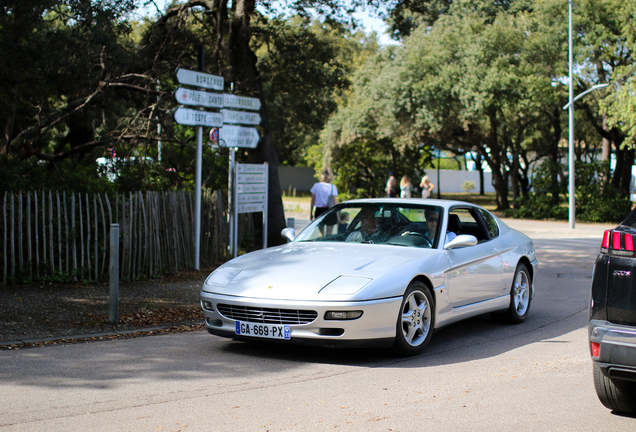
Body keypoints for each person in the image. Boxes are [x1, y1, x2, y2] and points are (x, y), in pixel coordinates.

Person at [310, 168, 338, 235]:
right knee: (329, 233)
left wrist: (311, 212)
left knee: (321, 233)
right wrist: (337, 215)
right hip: (330, 210)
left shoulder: (316, 186)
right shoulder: (332, 187)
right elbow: (335, 202)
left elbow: (313, 201)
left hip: (319, 211)